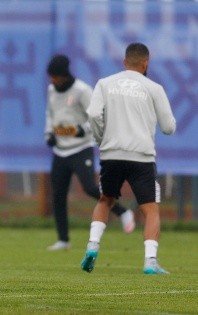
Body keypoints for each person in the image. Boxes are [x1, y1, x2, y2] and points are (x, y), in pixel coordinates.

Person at [80, 42, 176, 274]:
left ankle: (93, 246)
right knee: (150, 210)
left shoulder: (104, 84)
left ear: (124, 62)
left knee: (105, 200)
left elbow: (93, 114)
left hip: (112, 154)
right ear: (146, 64)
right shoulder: (154, 88)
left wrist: (101, 138)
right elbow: (168, 127)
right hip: (141, 157)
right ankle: (150, 261)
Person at [44, 54, 135, 251]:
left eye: (55, 76)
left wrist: (81, 130)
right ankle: (63, 239)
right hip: (60, 151)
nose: (52, 80)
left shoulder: (82, 90)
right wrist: (49, 133)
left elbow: (97, 115)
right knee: (58, 195)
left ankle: (123, 211)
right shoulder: (52, 90)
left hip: (80, 148)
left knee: (89, 188)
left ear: (64, 74)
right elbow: (50, 114)